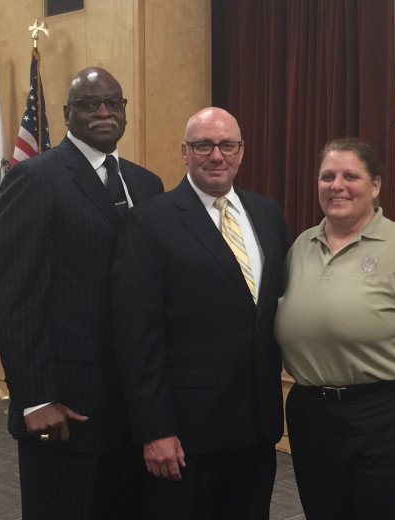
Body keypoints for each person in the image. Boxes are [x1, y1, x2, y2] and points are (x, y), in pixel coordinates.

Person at [0, 67, 164, 519]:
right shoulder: (36, 179)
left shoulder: (147, 185)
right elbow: (14, 298)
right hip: (65, 408)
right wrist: (35, 396)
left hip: (135, 409)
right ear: (67, 113)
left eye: (113, 103)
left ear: (125, 110)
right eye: (89, 104)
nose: (103, 112)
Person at [111, 107, 288, 519]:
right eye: (202, 145)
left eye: (227, 144)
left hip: (257, 427)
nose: (216, 155)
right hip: (188, 433)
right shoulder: (149, 222)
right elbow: (137, 338)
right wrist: (155, 430)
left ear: (241, 151)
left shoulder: (267, 214)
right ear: (184, 153)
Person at [275, 138, 395, 520]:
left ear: (375, 186)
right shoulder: (299, 247)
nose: (337, 185)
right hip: (314, 416)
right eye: (327, 176)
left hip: (388, 417)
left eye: (350, 176)